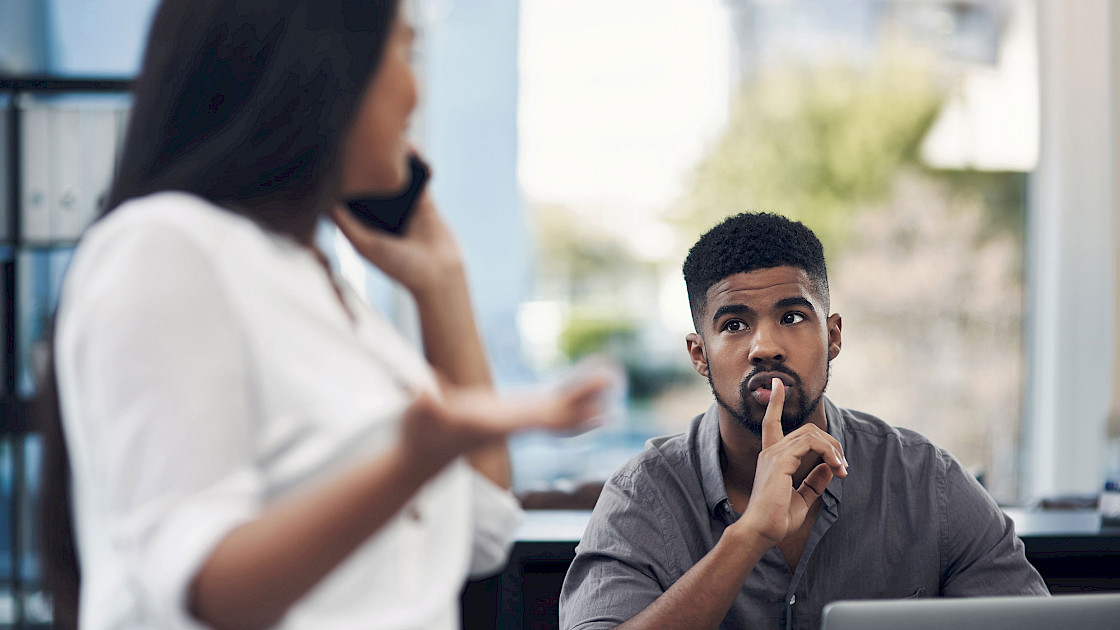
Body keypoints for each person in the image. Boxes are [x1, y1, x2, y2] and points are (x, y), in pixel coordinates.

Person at [39, 1, 610, 629]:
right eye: (401, 49)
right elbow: (202, 588)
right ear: (317, 63)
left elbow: (484, 525)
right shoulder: (166, 246)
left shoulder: (318, 286)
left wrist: (443, 286)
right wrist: (409, 460)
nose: (414, 92)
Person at [558, 212, 1048, 630]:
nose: (765, 346)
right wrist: (749, 537)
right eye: (734, 325)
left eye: (792, 317)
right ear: (699, 354)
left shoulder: (926, 480)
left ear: (832, 336)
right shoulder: (642, 493)